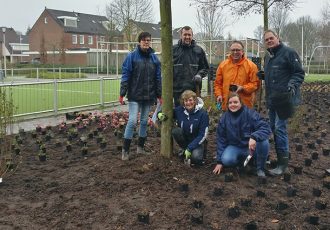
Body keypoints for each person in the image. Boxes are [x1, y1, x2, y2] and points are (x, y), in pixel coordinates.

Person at [259, 29, 305, 175]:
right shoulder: (268, 57)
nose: (269, 41)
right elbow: (274, 75)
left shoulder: (289, 53)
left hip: (285, 99)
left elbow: (299, 73)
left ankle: (282, 165)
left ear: (277, 38)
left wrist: (291, 85)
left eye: (271, 38)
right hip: (272, 99)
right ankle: (279, 159)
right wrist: (263, 75)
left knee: (279, 128)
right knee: (273, 128)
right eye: (266, 40)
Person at [119, 31, 162, 161]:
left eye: (148, 40)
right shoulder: (131, 57)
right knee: (132, 121)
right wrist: (122, 93)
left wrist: (159, 95)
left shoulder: (154, 59)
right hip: (134, 95)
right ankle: (125, 150)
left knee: (144, 121)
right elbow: (126, 75)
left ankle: (140, 148)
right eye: (144, 40)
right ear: (139, 42)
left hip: (149, 96)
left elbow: (158, 78)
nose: (146, 42)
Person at [213, 92, 271, 177]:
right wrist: (219, 162)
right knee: (226, 160)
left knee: (264, 142)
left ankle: (260, 168)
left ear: (240, 103)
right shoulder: (224, 118)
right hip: (235, 146)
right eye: (230, 103)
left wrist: (254, 136)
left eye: (236, 102)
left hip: (250, 147)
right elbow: (221, 140)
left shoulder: (250, 114)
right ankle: (243, 164)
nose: (233, 105)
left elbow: (265, 127)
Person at [158, 90, 209, 166]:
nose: (188, 103)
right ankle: (184, 149)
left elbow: (203, 135)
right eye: (186, 100)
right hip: (185, 139)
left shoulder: (203, 114)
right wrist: (160, 114)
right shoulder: (180, 110)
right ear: (183, 102)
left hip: (197, 142)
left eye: (190, 100)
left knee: (196, 158)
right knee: (176, 131)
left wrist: (190, 148)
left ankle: (196, 152)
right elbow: (168, 112)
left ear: (195, 101)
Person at [214, 40, 260, 111]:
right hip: (227, 105)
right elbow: (218, 84)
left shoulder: (251, 66)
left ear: (242, 52)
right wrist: (219, 95)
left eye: (238, 50)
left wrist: (243, 88)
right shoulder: (223, 65)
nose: (235, 52)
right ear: (230, 51)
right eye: (233, 50)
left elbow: (255, 84)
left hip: (244, 106)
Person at [172, 26, 209, 106]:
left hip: (193, 90)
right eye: (185, 35)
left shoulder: (199, 50)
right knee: (179, 114)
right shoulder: (173, 50)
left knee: (193, 114)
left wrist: (199, 74)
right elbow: (167, 70)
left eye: (189, 35)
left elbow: (205, 68)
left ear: (192, 36)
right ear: (181, 35)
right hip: (177, 90)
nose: (187, 37)